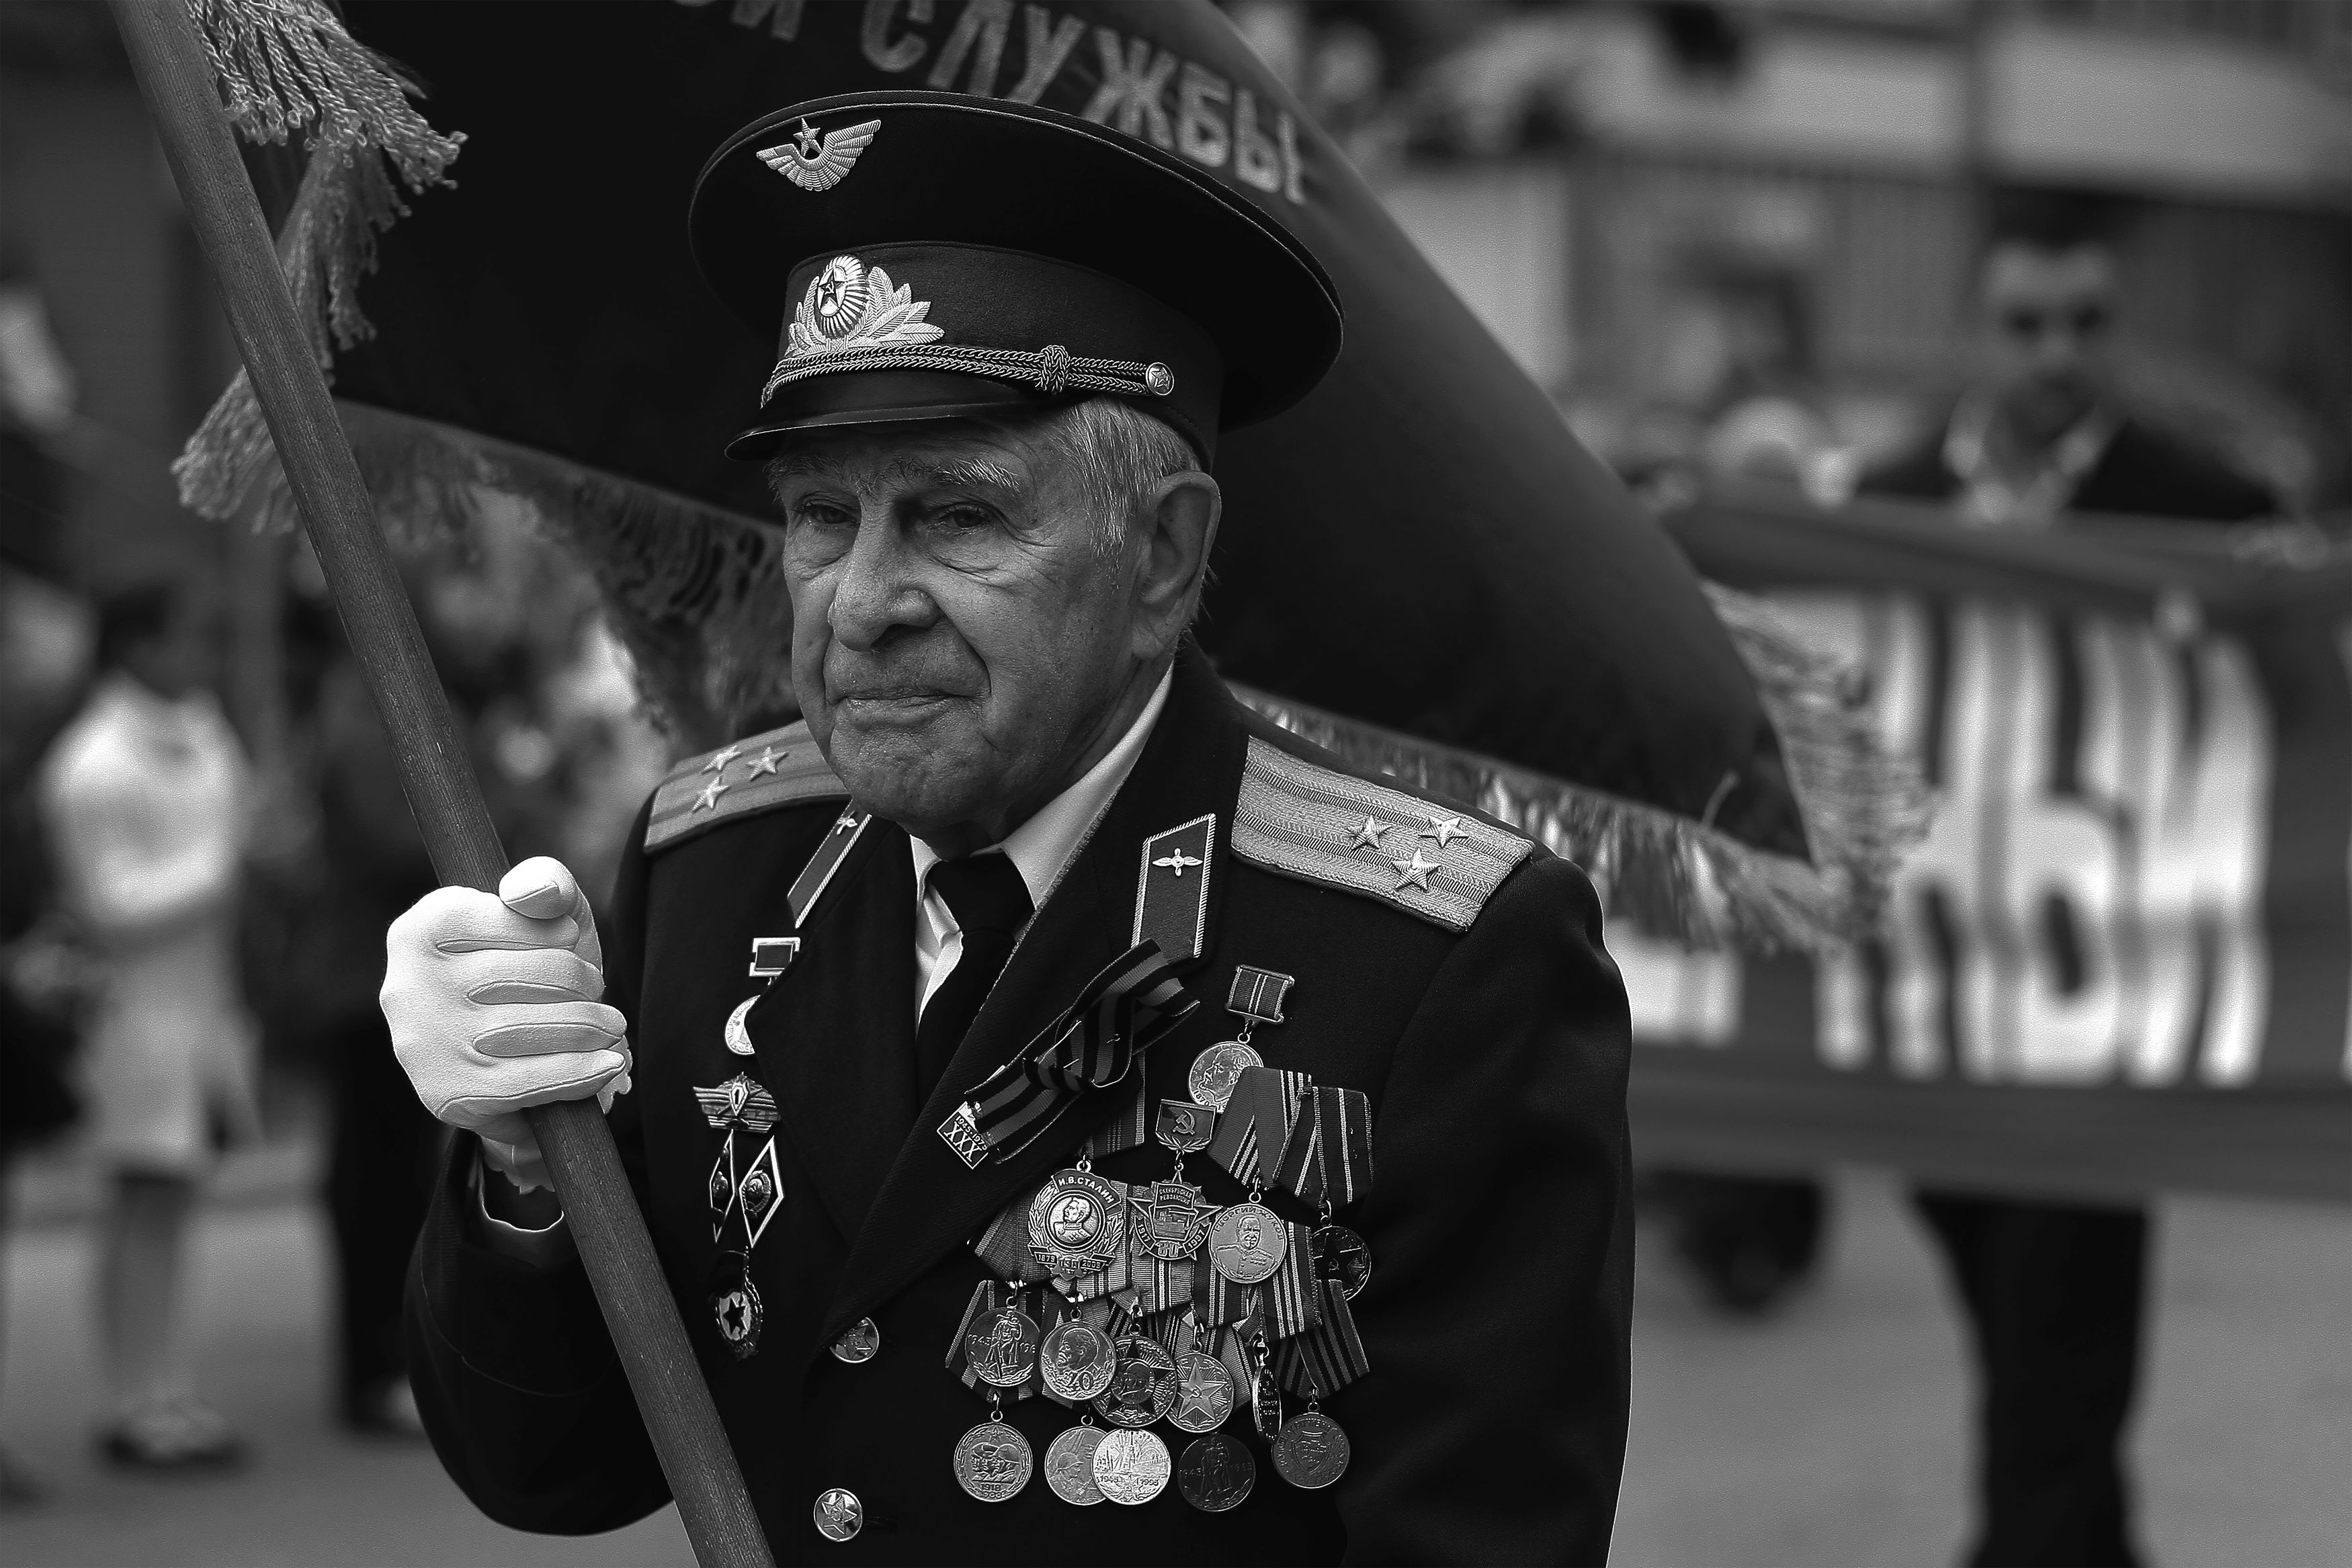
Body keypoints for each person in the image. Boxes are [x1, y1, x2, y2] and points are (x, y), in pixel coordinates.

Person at [383, 92, 1632, 1561]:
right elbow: (553, 1463)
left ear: (1160, 554)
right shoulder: (714, 863)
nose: (862, 603)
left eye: (958, 517)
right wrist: (528, 1171)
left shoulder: (1438, 958)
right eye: (821, 516)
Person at [1859, 202, 2274, 1568]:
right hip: (1938, 995)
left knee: (2060, 1316)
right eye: (2026, 323)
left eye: (2086, 322)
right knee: (2024, 1315)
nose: (2057, 352)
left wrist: (2287, 594)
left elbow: (2296, 702)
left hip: (2107, 996)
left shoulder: (2207, 506)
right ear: (1974, 330)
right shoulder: (1888, 503)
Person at [35, 579, 260, 1471]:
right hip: (133, 1013)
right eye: (187, 634)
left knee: (172, 1203)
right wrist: (228, 865)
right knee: (139, 1202)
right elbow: (110, 907)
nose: (203, 653)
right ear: (135, 644)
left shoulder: (204, 731)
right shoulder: (90, 763)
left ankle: (167, 1388)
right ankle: (134, 1400)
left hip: (201, 1004)